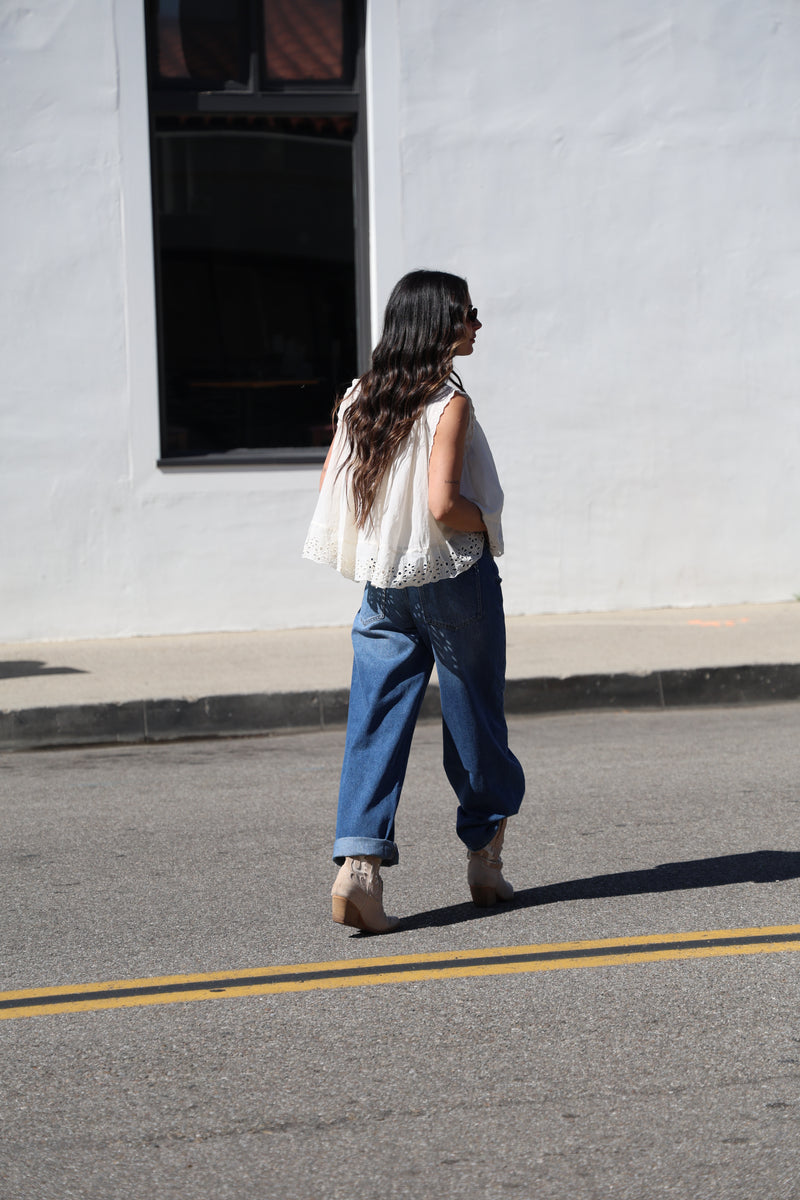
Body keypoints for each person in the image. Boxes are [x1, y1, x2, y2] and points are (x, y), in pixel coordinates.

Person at [303, 269, 525, 933]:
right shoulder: (448, 402)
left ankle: (359, 869)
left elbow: (334, 488)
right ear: (437, 324)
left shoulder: (361, 398)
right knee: (475, 719)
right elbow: (442, 505)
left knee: (374, 718)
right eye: (468, 313)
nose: (478, 323)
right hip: (453, 575)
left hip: (384, 588)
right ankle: (485, 857)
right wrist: (486, 522)